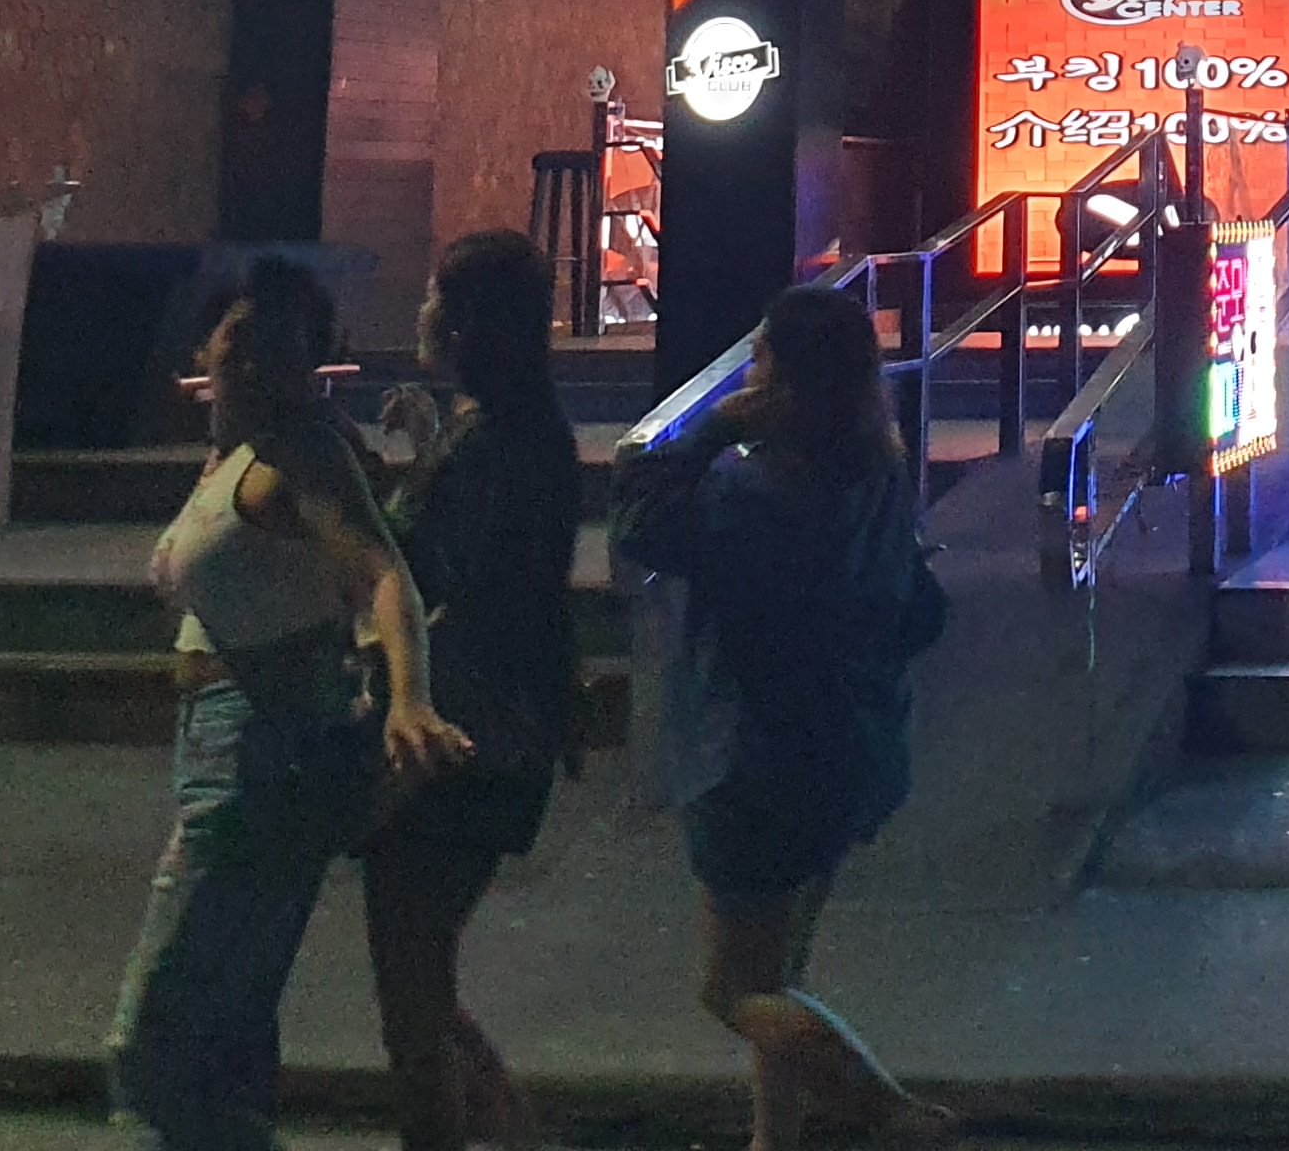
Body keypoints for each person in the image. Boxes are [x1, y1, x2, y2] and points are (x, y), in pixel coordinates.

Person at [109, 255, 472, 1151]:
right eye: (238, 341)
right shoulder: (241, 453)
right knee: (227, 1031)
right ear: (205, 349)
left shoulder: (302, 452)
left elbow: (383, 572)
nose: (253, 363)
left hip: (260, 754)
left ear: (314, 359)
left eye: (279, 345)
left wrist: (409, 698)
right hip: (227, 749)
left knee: (153, 1036)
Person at [615, 284, 955, 1151]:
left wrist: (710, 429)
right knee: (783, 967)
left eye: (760, 358)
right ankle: (776, 1139)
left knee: (732, 990)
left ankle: (888, 1112)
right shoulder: (878, 475)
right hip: (851, 747)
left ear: (784, 379)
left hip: (752, 760)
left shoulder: (751, 491)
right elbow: (919, 610)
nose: (748, 373)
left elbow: (642, 523)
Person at [359, 231, 584, 1151]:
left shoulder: (493, 442)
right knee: (423, 980)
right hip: (507, 723)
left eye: (434, 297)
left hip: (457, 728)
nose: (422, 313)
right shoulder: (517, 428)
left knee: (411, 991)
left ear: (464, 323)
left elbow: (445, 577)